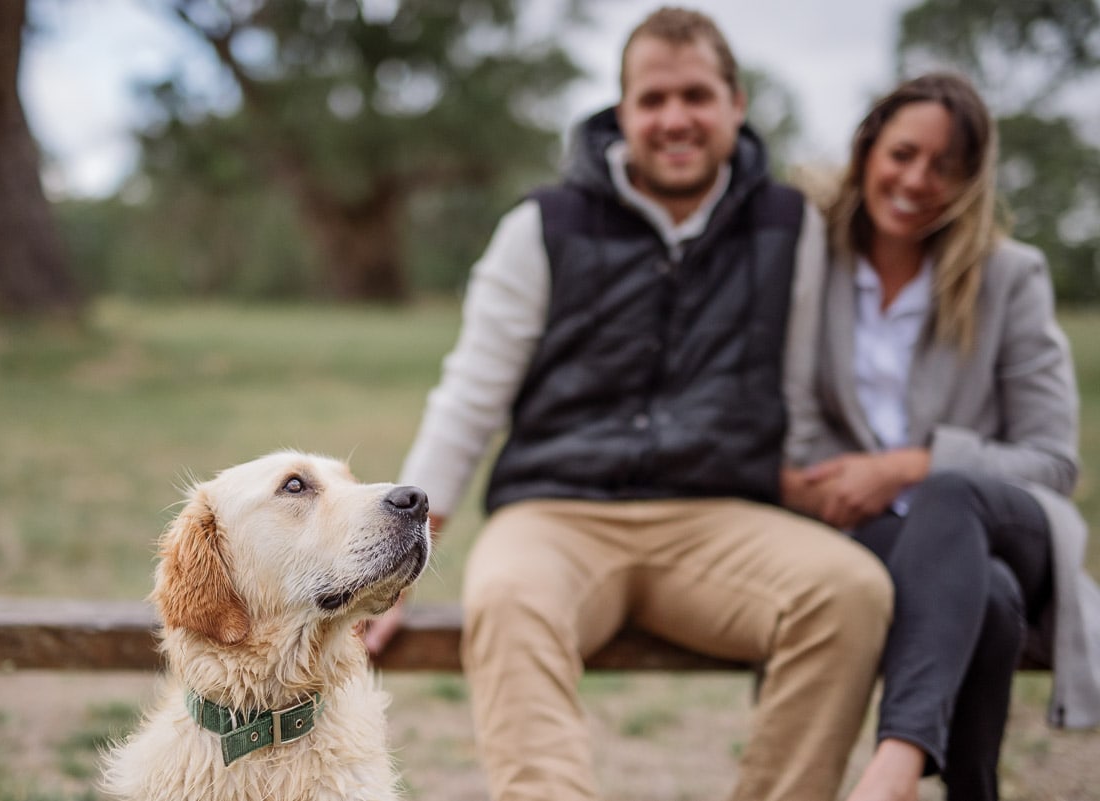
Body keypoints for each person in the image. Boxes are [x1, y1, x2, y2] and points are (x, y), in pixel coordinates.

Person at [364, 8, 893, 801]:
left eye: (695, 95)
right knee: (507, 596)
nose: (674, 119)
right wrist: (397, 563)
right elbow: (471, 391)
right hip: (557, 513)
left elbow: (795, 390)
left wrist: (823, 486)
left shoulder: (791, 227)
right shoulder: (543, 225)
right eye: (651, 100)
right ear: (622, 111)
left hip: (717, 515)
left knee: (851, 591)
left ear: (735, 103)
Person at [784, 72, 1100, 801]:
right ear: (867, 150)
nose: (916, 179)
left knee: (950, 494)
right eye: (903, 153)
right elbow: (795, 425)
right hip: (873, 531)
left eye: (945, 166)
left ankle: (891, 770)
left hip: (1008, 519)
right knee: (982, 598)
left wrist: (908, 466)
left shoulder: (1011, 278)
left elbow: (1053, 460)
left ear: (970, 181)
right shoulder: (815, 263)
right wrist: (821, 483)